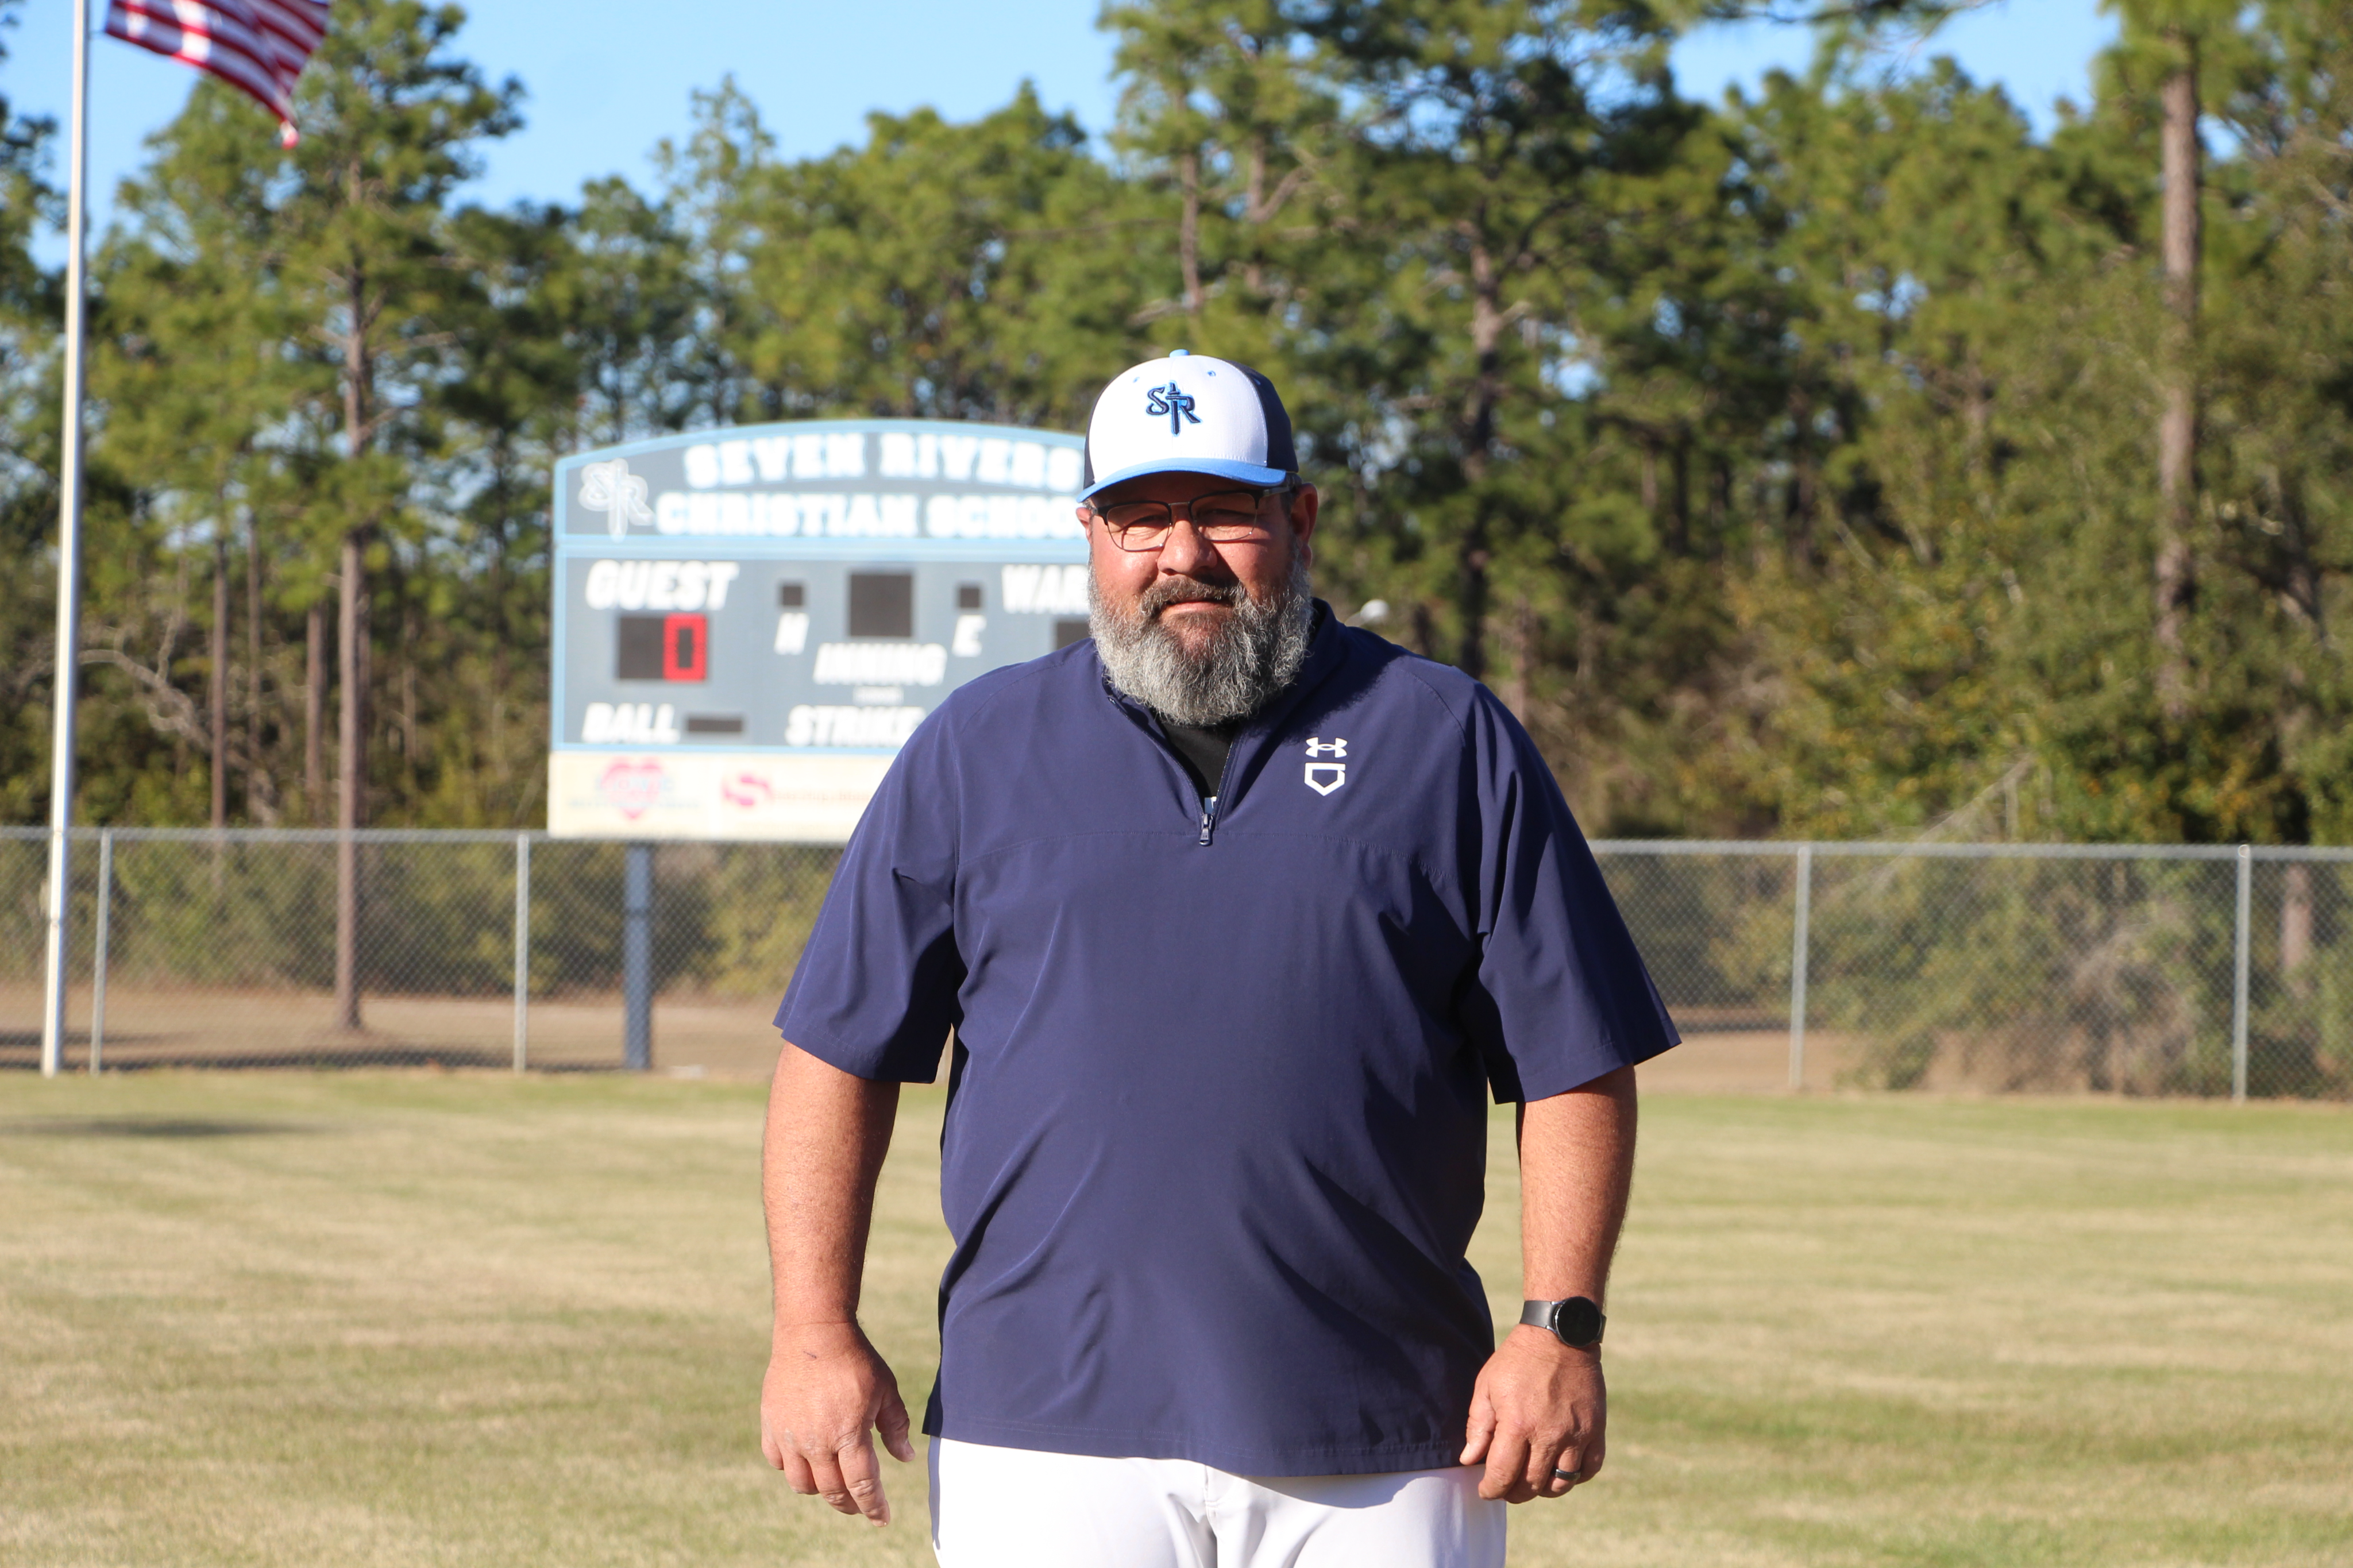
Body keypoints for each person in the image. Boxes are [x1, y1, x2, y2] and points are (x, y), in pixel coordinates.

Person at [759, 352, 1679, 1567]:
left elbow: (1573, 1061)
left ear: (1296, 518)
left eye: (1222, 511)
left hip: (1387, 1427)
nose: (1179, 554)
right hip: (1044, 1427)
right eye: (1140, 516)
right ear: (1090, 533)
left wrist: (1559, 1330)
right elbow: (835, 1056)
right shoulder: (976, 749)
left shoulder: (1443, 737)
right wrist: (812, 1329)